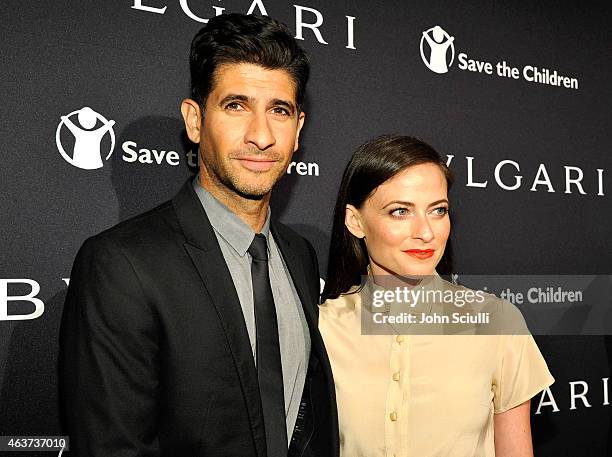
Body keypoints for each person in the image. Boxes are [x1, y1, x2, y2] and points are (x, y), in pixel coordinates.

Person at [59, 13, 338, 457]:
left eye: (278, 111)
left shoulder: (299, 256)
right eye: (236, 106)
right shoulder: (120, 264)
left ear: (298, 129)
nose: (261, 136)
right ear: (194, 120)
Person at [319, 135, 553, 457]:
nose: (426, 232)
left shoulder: (497, 323)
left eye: (438, 210)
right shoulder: (322, 326)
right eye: (400, 211)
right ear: (355, 221)